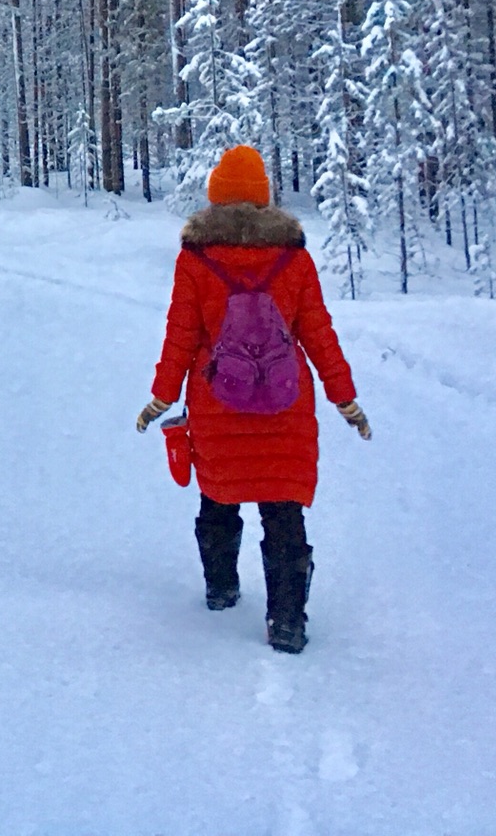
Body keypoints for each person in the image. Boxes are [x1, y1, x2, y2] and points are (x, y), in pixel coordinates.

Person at [136, 145, 371, 654]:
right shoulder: (294, 257)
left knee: (218, 499)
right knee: (283, 511)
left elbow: (179, 336)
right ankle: (287, 621)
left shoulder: (196, 259)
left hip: (218, 406)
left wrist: (160, 398)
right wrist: (345, 398)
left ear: (216, 199)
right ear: (264, 200)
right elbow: (318, 334)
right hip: (286, 408)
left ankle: (221, 590)